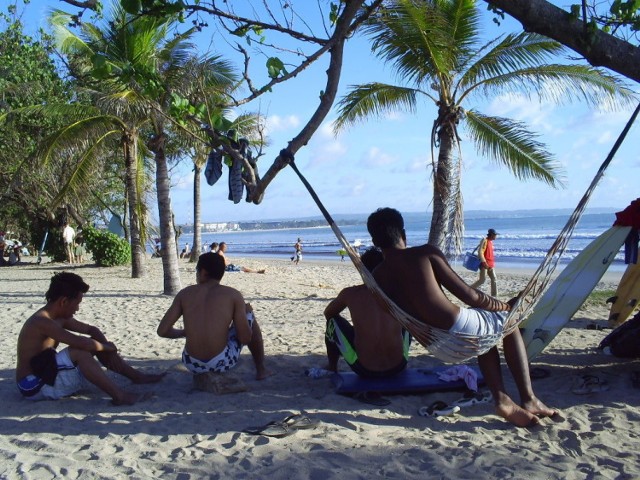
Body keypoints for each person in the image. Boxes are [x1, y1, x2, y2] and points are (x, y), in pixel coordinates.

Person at [366, 208, 556, 427]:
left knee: (487, 337)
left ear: (375, 241)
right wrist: (505, 307)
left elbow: (392, 311)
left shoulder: (377, 277)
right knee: (509, 322)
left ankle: (504, 400)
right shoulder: (424, 253)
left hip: (436, 344)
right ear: (403, 234)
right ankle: (528, 399)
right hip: (459, 328)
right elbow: (470, 295)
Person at [15, 272, 164, 405]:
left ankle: (136, 376)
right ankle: (120, 396)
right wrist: (107, 347)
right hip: (32, 384)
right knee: (80, 351)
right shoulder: (42, 322)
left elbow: (92, 330)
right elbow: (81, 343)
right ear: (64, 302)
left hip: (45, 371)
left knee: (94, 343)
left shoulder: (59, 317)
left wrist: (105, 347)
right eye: (77, 303)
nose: (77, 309)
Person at [157, 252, 271, 380]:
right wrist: (245, 313)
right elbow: (245, 338)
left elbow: (163, 331)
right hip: (222, 362)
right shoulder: (233, 295)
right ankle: (261, 369)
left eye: (196, 271)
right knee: (249, 313)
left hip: (191, 363)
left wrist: (185, 332)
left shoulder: (184, 294)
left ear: (203, 272)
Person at [324, 248, 411, 377]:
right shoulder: (399, 292)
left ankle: (332, 368)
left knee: (332, 322)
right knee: (408, 321)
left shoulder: (350, 293)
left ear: (362, 271)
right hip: (399, 366)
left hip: (364, 369)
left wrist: (359, 330)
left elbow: (329, 314)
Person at [471, 228, 499, 297]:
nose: (496, 236)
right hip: (484, 264)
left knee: (494, 279)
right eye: (495, 235)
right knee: (482, 280)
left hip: (491, 264)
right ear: (491, 235)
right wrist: (484, 263)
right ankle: (469, 289)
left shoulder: (491, 242)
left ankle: (494, 296)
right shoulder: (484, 241)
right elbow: (480, 252)